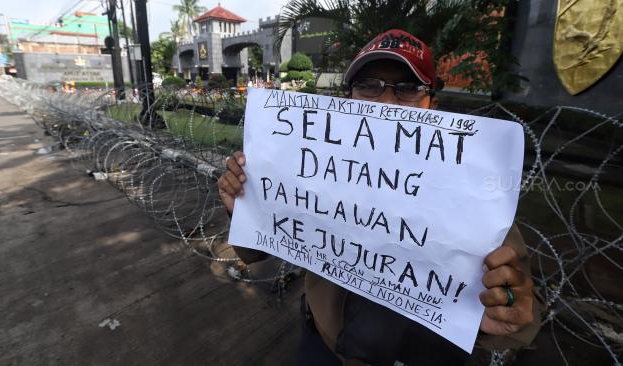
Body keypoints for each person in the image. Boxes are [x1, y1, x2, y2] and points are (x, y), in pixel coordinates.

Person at [217, 29, 543, 365]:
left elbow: (520, 316)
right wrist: (243, 209)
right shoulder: (310, 169)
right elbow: (255, 252)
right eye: (369, 86)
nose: (386, 104)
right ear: (349, 98)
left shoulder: (473, 197)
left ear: (433, 103)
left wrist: (507, 309)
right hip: (321, 345)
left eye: (408, 89)